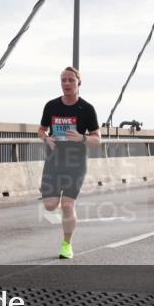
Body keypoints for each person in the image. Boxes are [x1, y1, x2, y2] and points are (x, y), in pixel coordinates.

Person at [38, 67, 101, 260]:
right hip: (54, 162)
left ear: (78, 83)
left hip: (76, 164)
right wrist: (46, 139)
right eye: (63, 80)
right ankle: (57, 201)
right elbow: (41, 130)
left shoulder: (87, 109)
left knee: (67, 205)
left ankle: (67, 244)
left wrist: (82, 138)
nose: (66, 83)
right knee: (50, 206)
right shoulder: (51, 106)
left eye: (70, 80)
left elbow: (97, 139)